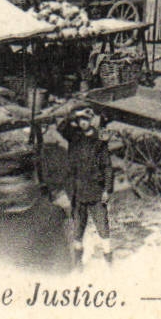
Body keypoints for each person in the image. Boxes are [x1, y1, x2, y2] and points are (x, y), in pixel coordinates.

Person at [56, 107, 113, 266]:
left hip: (96, 192)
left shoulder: (99, 140)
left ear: (91, 120)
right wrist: (72, 115)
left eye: (86, 119)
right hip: (78, 193)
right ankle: (78, 264)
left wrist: (107, 189)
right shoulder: (74, 137)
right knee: (77, 232)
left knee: (103, 230)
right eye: (80, 120)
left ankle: (110, 265)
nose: (82, 123)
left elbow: (107, 166)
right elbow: (61, 127)